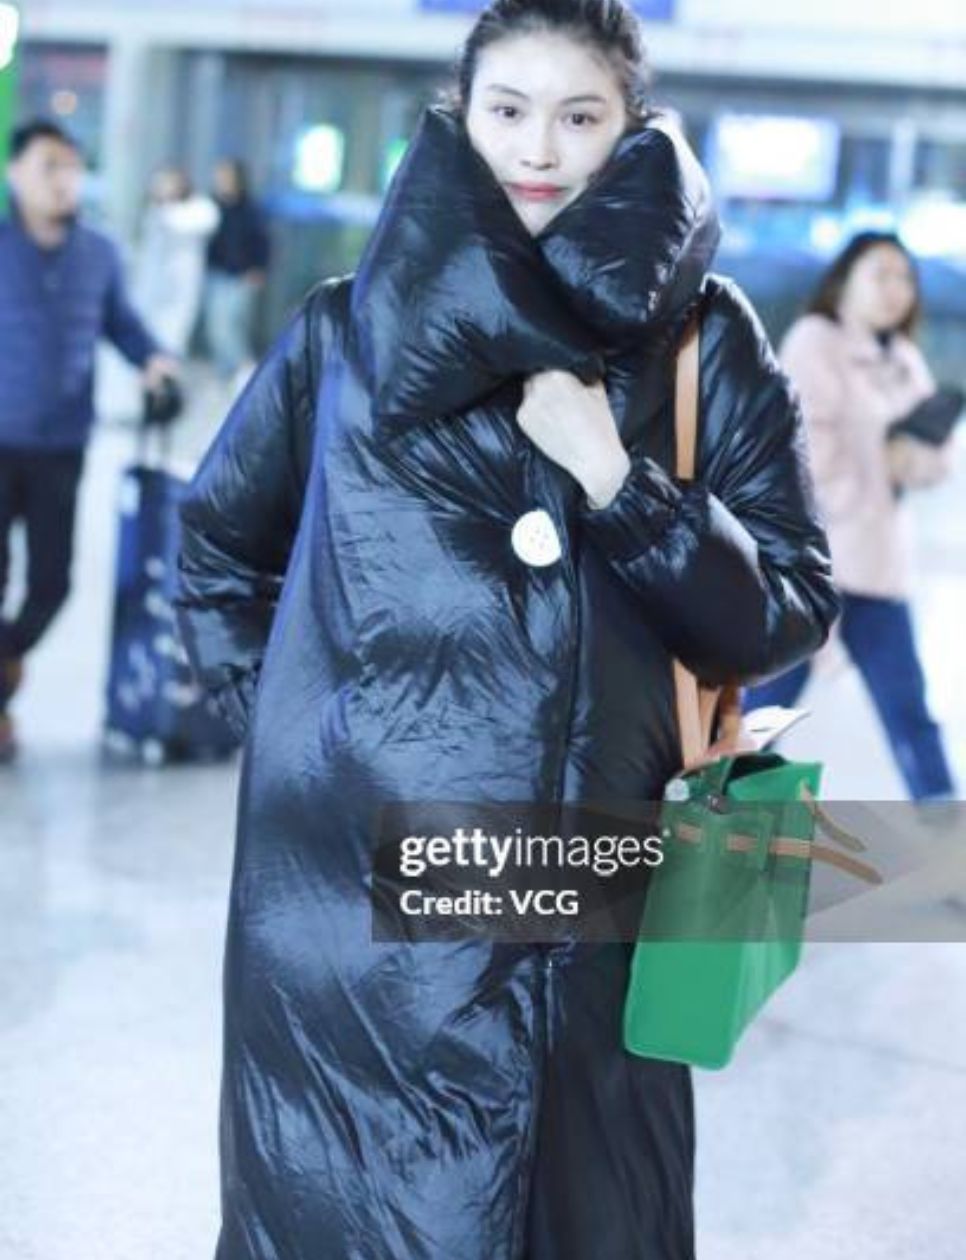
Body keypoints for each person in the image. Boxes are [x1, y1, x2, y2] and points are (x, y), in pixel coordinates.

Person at [175, 2, 838, 1256]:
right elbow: (217, 547)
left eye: (580, 116)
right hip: (347, 929)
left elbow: (789, 606)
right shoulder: (343, 332)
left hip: (596, 903)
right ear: (458, 118)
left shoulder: (706, 344)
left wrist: (621, 487)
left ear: (631, 131)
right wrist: (296, 739)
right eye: (508, 110)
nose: (539, 147)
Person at [745, 231, 957, 801]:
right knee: (763, 714)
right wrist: (880, 461)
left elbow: (936, 458)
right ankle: (705, 838)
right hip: (813, 572)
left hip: (878, 570)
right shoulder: (816, 341)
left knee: (910, 714)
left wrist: (917, 462)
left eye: (904, 278)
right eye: (880, 275)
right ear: (846, 280)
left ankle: (947, 847)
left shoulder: (904, 358)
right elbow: (798, 449)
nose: (896, 290)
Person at [0, 119, 178, 763]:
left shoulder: (98, 253)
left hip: (61, 445)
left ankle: (5, 668)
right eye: (49, 165)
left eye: (72, 167)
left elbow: (123, 324)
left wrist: (155, 358)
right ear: (16, 173)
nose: (64, 179)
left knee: (53, 582)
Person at [133, 164, 219, 356]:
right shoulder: (154, 211)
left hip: (182, 285)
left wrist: (165, 205)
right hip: (153, 287)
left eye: (167, 182)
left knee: (173, 337)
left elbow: (181, 225)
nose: (163, 187)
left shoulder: (201, 207)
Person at [202, 157, 270, 386]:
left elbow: (263, 241)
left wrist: (259, 268)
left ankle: (246, 369)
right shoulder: (211, 207)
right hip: (216, 274)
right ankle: (227, 376)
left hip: (241, 276)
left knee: (228, 325)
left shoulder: (250, 209)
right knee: (216, 327)